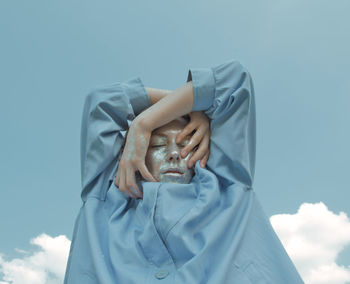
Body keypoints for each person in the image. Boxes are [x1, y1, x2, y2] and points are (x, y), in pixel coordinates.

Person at [64, 59, 305, 283]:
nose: (174, 153)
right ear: (131, 153)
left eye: (186, 143)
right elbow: (101, 100)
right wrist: (190, 111)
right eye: (157, 144)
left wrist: (145, 122)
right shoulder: (107, 194)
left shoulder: (228, 185)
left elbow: (234, 79)